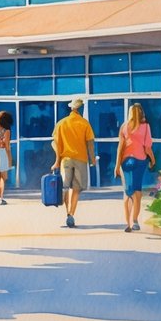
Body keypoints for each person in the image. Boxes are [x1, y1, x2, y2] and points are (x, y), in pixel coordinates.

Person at [51, 98, 96, 228]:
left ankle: (67, 212)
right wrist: (92, 160)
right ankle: (71, 214)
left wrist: (57, 161)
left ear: (71, 108)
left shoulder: (61, 123)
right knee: (76, 189)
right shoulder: (85, 124)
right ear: (81, 109)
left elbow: (56, 144)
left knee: (65, 187)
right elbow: (90, 144)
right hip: (81, 160)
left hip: (66, 159)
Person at [115, 102, 156, 233]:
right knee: (137, 192)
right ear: (141, 113)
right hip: (140, 160)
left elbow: (120, 148)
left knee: (127, 192)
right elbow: (147, 147)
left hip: (126, 161)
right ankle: (135, 221)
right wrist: (153, 160)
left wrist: (117, 166)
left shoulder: (124, 127)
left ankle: (127, 223)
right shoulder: (146, 127)